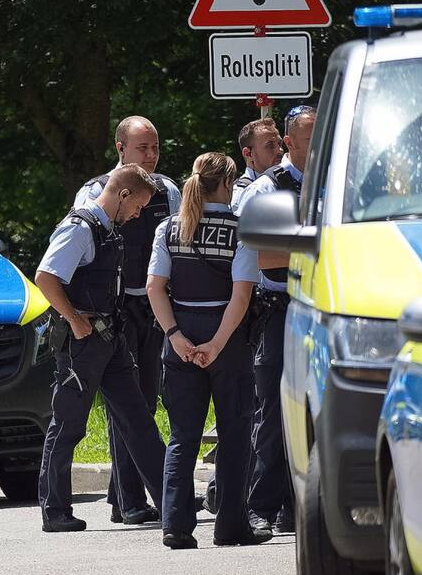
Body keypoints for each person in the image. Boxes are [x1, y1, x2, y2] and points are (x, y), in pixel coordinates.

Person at [146, 152, 270, 549]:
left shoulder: (169, 227)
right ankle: (231, 525)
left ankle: (176, 525)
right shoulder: (240, 230)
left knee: (183, 435)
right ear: (229, 185)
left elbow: (154, 287)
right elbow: (241, 295)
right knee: (235, 433)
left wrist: (176, 336)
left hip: (179, 334)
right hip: (226, 339)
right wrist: (216, 344)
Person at [36, 164, 167, 532]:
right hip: (81, 343)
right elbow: (46, 277)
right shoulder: (80, 228)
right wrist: (74, 319)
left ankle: (171, 501)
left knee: (139, 419)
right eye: (138, 206)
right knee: (69, 425)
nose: (139, 214)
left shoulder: (110, 230)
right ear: (122, 195)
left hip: (111, 338)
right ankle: (55, 511)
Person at [73, 116, 181, 524]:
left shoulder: (168, 190)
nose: (151, 156)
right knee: (125, 403)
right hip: (112, 311)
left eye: (155, 148)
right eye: (142, 149)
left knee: (145, 402)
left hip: (151, 308)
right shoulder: (93, 191)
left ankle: (124, 496)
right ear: (121, 149)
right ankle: (130, 499)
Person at [232, 105, 316, 535]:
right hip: (278, 309)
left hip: (320, 308)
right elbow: (265, 258)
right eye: (310, 133)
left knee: (313, 411)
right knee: (273, 411)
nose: (320, 139)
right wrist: (321, 247)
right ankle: (259, 505)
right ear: (289, 142)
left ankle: (294, 505)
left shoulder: (327, 184)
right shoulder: (267, 188)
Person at [204, 116, 284, 515]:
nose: (279, 150)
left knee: (254, 405)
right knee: (249, 406)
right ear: (248, 152)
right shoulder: (241, 193)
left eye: (279, 143)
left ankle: (227, 490)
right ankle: (227, 491)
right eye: (270, 145)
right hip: (246, 310)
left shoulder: (287, 185)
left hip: (256, 307)